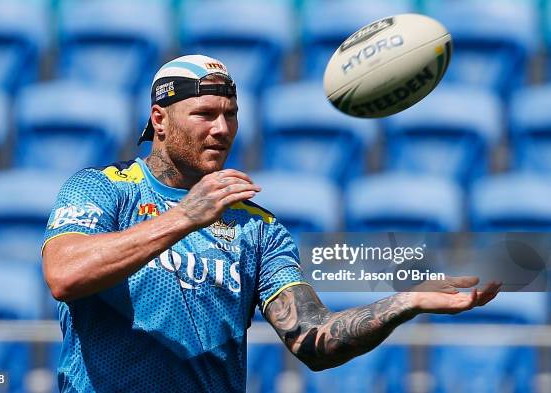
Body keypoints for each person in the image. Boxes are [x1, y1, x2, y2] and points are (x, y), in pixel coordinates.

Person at [42, 54, 500, 393]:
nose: (221, 129)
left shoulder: (255, 227)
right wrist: (184, 217)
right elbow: (65, 274)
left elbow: (314, 340)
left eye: (230, 115)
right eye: (204, 114)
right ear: (159, 120)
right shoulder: (104, 188)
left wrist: (405, 303)